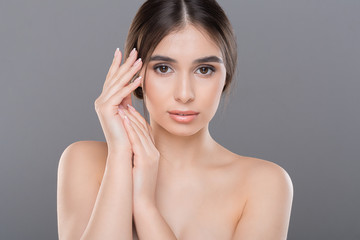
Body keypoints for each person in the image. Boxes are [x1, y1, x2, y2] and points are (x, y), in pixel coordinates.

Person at [57, 0, 293, 239]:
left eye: (204, 70)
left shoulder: (264, 184)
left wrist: (144, 205)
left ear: (226, 77)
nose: (184, 94)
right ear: (135, 75)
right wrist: (120, 156)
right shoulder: (85, 162)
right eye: (163, 68)